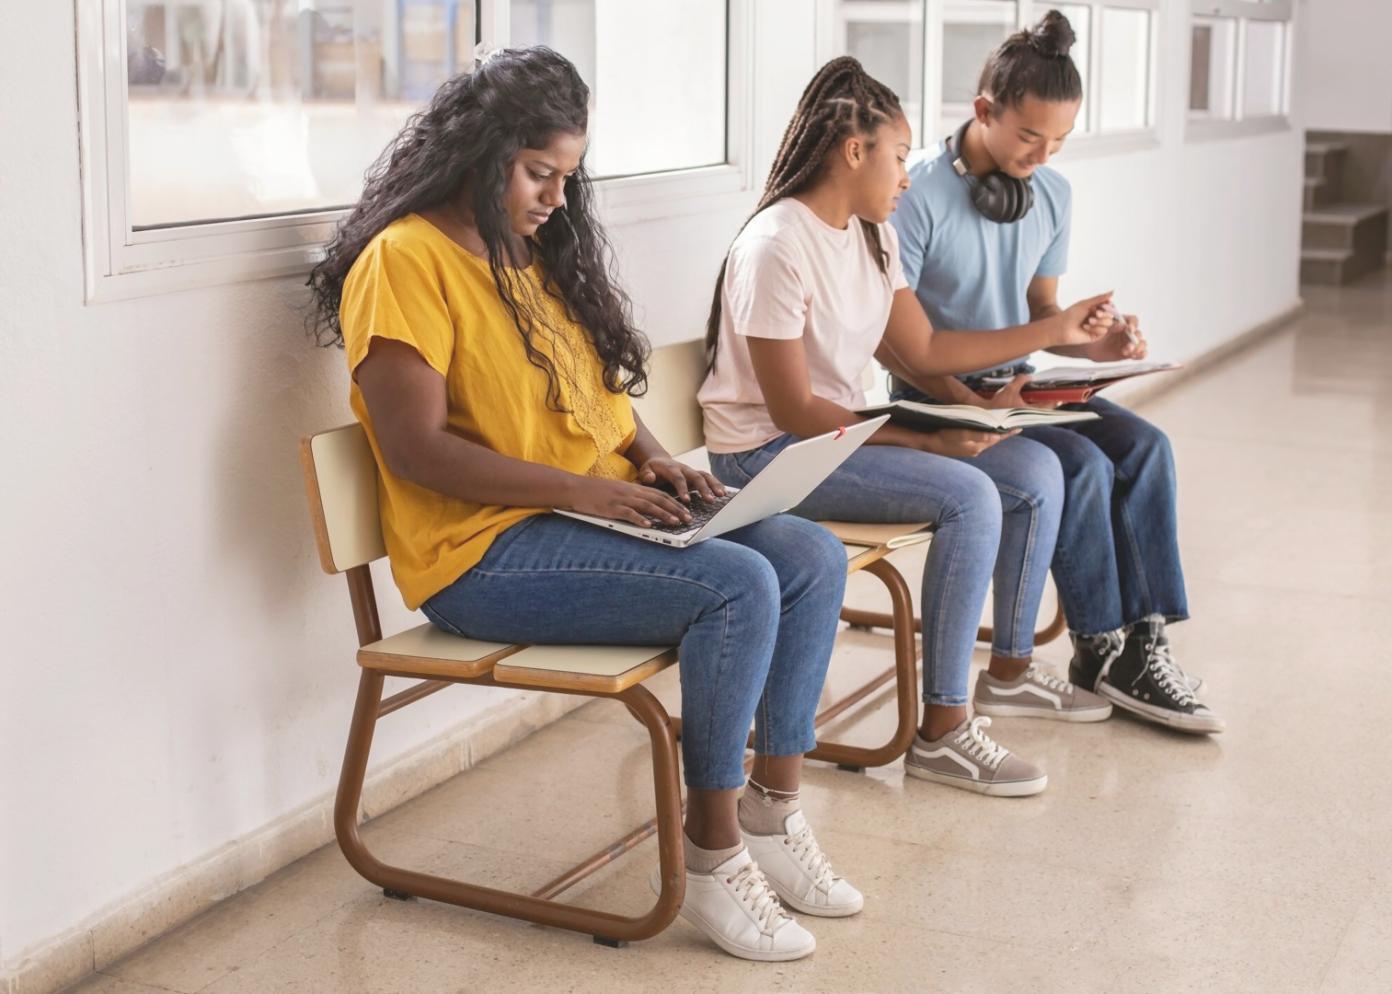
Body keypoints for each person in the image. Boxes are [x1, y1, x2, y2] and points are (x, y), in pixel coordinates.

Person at [306, 46, 860, 962]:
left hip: (579, 520)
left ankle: (770, 813)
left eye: (566, 175)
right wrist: (588, 489)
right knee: (739, 586)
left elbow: (595, 396)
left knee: (808, 555)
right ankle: (714, 859)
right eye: (538, 172)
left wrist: (649, 459)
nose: (557, 196)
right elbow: (415, 449)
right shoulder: (405, 262)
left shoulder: (526, 253)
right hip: (481, 557)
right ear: (477, 154)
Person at [699, 56, 1119, 800]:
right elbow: (794, 414)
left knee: (995, 477)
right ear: (853, 151)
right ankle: (944, 732)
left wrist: (987, 394)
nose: (908, 175)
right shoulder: (776, 247)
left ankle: (975, 700)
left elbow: (922, 351)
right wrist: (926, 439)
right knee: (968, 494)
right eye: (899, 155)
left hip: (828, 439)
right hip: (764, 457)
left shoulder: (870, 234)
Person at [888, 10, 1223, 734]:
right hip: (939, 396)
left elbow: (1042, 309)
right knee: (1081, 465)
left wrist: (1096, 349)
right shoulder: (912, 195)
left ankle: (1144, 640)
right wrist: (975, 405)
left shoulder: (1052, 196)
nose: (1042, 155)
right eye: (1029, 136)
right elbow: (903, 344)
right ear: (984, 111)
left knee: (1144, 447)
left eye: (1059, 142)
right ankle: (1098, 646)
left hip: (1022, 389)